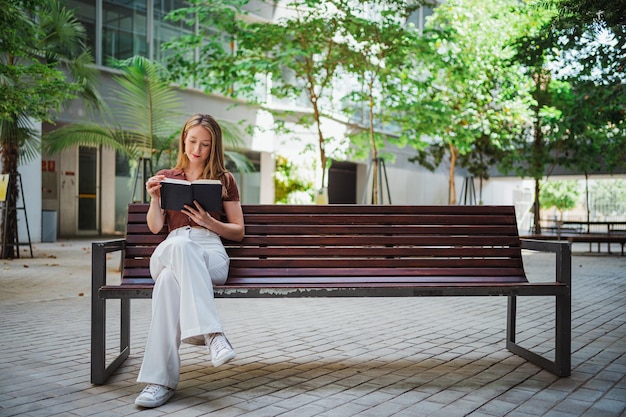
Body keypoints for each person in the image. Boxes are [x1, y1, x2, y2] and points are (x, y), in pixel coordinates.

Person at [134, 113, 245, 408]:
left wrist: (209, 222)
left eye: (205, 144)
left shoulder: (224, 179)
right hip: (171, 248)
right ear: (184, 139)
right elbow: (157, 228)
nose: (197, 149)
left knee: (170, 282)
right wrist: (155, 199)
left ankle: (159, 383)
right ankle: (212, 333)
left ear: (214, 147)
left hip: (210, 252)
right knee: (180, 244)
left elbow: (238, 231)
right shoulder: (167, 175)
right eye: (192, 141)